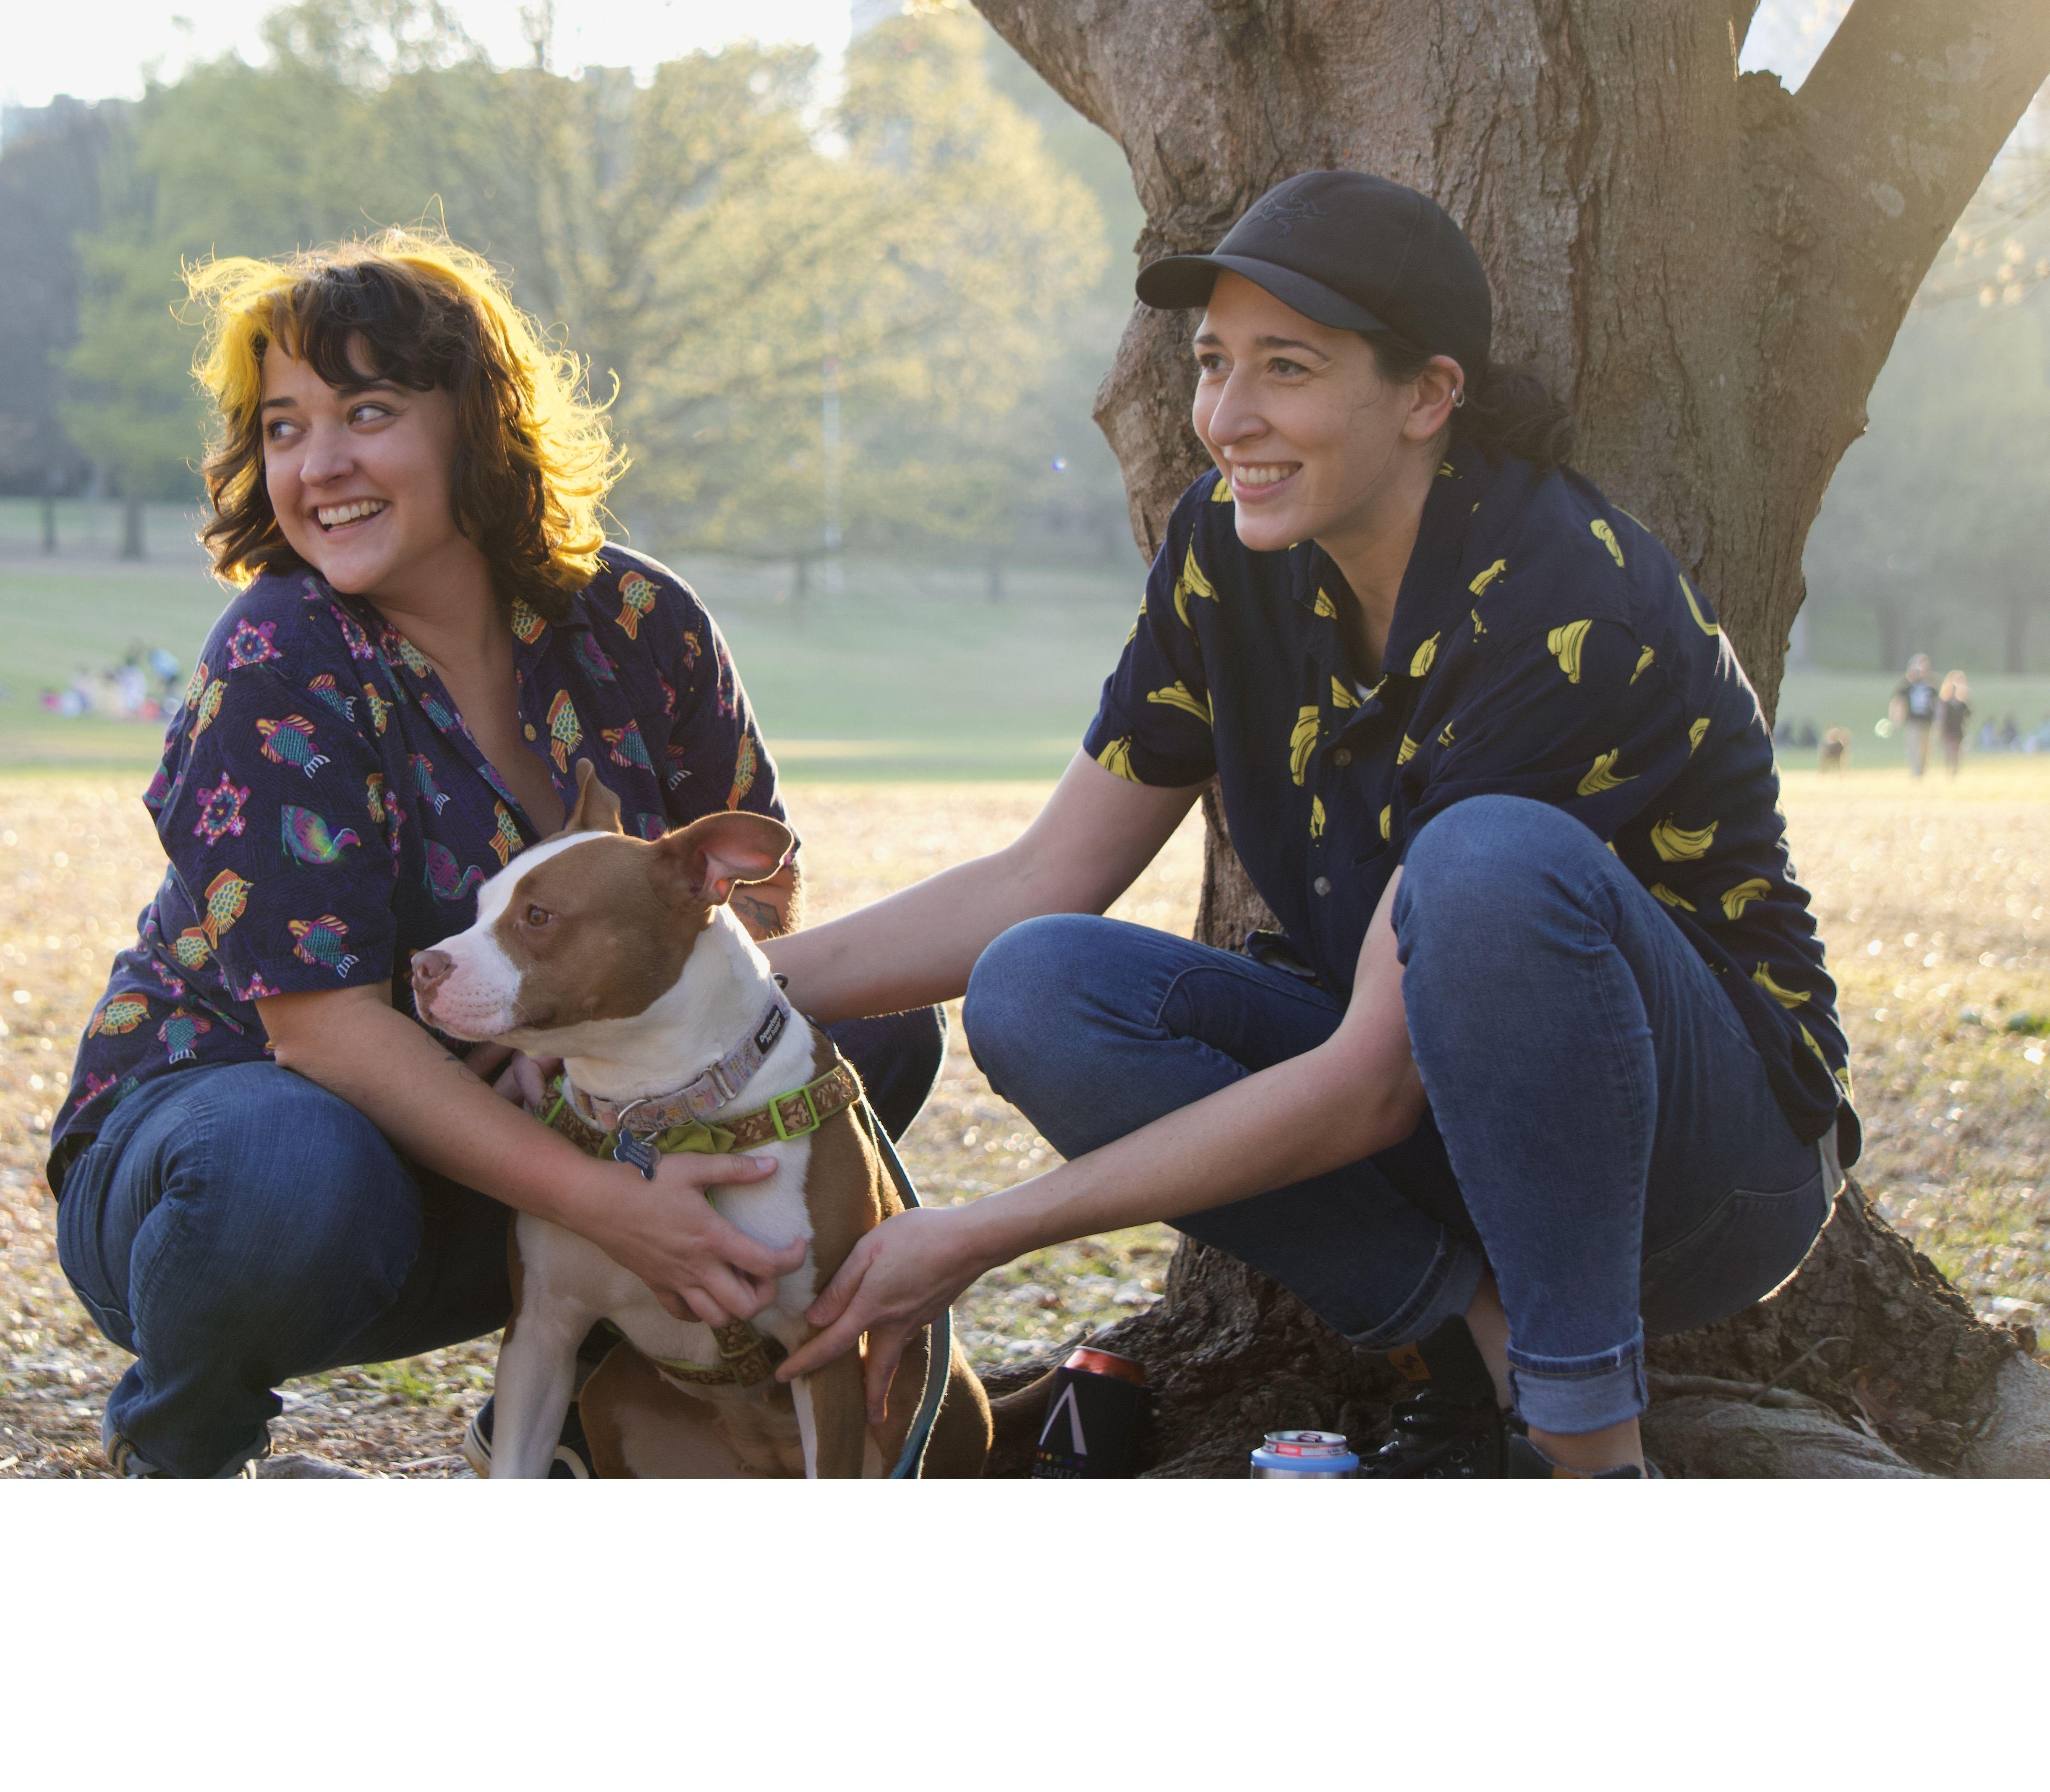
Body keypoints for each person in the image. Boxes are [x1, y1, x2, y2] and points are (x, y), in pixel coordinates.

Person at [766, 170, 1854, 1479]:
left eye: (1286, 367)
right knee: (1037, 982)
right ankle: (1477, 1337)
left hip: (1701, 1164)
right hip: (1425, 1106)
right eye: (1212, 362)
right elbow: (1042, 875)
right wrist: (720, 990)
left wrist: (975, 1233)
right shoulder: (1228, 553)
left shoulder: (1566, 603)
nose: (1228, 417)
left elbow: (1366, 1086)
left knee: (1484, 863)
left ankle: (1587, 1456)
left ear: (1426, 396)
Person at [45, 232, 943, 1477]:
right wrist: (612, 1197)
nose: (319, 463)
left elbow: (755, 906)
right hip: (237, 1166)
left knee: (864, 1036)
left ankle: (578, 1411)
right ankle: (184, 1453)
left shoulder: (639, 620)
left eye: (367, 411)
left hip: (549, 1146)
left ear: (477, 423)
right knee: (286, 1162)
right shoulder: (277, 656)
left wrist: (591, 1047)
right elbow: (323, 1034)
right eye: (284, 427)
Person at [1891, 653, 1940, 776]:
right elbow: (1898, 700)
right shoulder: (1907, 686)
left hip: (1927, 722)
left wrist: (1938, 718)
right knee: (1913, 747)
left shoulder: (1931, 685)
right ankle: (1916, 772)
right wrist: (1896, 717)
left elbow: (1937, 703)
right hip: (1912, 721)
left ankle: (1922, 771)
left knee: (1926, 748)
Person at [1938, 671, 1971, 777]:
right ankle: (1949, 770)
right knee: (1949, 751)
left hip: (1958, 729)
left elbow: (1969, 714)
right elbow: (1941, 718)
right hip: (1948, 729)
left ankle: (1955, 770)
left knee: (1957, 751)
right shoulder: (1945, 704)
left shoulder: (1962, 704)